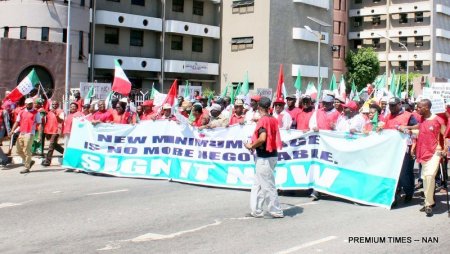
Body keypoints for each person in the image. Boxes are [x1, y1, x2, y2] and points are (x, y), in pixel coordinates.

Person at [244, 96, 284, 218]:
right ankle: (256, 210)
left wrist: (251, 145)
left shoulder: (263, 121)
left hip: (264, 157)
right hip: (271, 154)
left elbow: (262, 138)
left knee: (267, 185)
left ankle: (276, 210)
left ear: (259, 107)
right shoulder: (273, 119)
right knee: (258, 184)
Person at [380, 97, 418, 205]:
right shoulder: (388, 116)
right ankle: (395, 194)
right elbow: (385, 129)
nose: (391, 108)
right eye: (389, 105)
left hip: (406, 148)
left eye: (393, 105)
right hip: (391, 149)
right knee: (392, 170)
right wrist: (380, 128)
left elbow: (417, 127)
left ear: (399, 104)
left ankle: (409, 192)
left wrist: (404, 127)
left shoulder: (408, 116)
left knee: (404, 173)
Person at [412, 99, 447, 217]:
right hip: (422, 152)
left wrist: (446, 149)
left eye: (419, 107)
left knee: (430, 176)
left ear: (426, 107)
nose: (417, 109)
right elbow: (419, 127)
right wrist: (406, 127)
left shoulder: (438, 119)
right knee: (426, 179)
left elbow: (446, 135)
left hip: (435, 152)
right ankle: (429, 201)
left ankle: (428, 204)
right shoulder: (422, 119)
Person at [9, 98, 42, 173]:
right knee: (18, 150)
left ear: (32, 104)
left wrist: (39, 135)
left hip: (30, 133)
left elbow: (39, 124)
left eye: (30, 103)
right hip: (21, 133)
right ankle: (30, 161)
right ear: (25, 104)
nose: (29, 104)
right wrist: (12, 130)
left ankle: (27, 167)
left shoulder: (36, 113)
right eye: (27, 103)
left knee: (27, 150)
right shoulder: (21, 112)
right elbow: (17, 122)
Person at [42, 101, 65, 166]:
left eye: (56, 104)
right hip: (49, 130)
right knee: (54, 145)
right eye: (53, 104)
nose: (54, 105)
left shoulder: (60, 111)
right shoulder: (49, 112)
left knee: (51, 145)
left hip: (56, 130)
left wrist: (56, 115)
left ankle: (48, 161)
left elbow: (61, 120)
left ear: (58, 104)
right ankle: (66, 153)